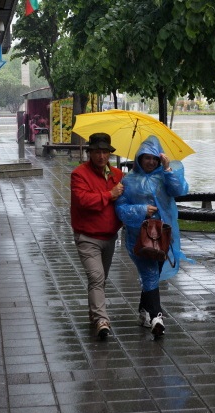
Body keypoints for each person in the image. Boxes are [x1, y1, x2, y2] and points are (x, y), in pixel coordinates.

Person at [115, 136, 189, 337]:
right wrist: (140, 210)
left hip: (163, 237)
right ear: (139, 158)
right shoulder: (128, 180)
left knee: (152, 274)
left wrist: (167, 170)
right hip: (138, 238)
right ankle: (157, 317)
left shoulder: (165, 177)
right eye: (147, 158)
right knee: (149, 273)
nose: (151, 162)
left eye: (155, 158)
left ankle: (143, 312)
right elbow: (120, 208)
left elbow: (180, 190)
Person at [70, 133, 124, 340]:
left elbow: (125, 201)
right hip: (87, 236)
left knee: (101, 279)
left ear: (110, 154)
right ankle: (102, 319)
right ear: (89, 153)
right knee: (96, 276)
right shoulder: (79, 174)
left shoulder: (117, 174)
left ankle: (94, 313)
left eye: (105, 152)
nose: (101, 156)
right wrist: (109, 194)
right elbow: (83, 200)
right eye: (97, 151)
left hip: (109, 236)